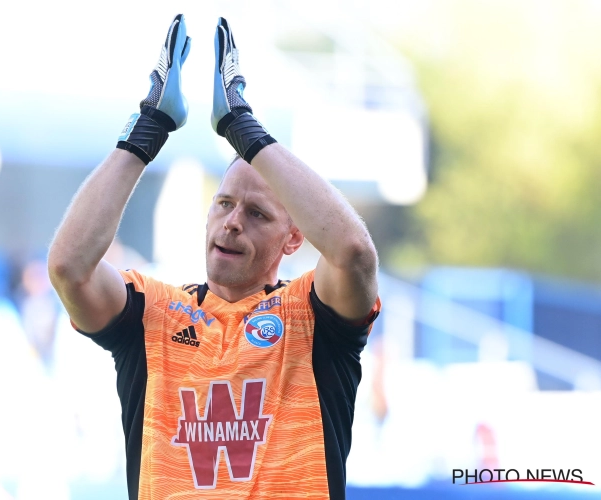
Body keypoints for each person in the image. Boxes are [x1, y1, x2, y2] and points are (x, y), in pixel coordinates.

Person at [48, 14, 381, 500]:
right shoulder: (153, 313)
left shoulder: (313, 315)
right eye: (224, 203)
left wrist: (242, 128)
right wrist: (149, 127)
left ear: (293, 240)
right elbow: (68, 268)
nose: (231, 222)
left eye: (257, 214)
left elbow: (353, 252)